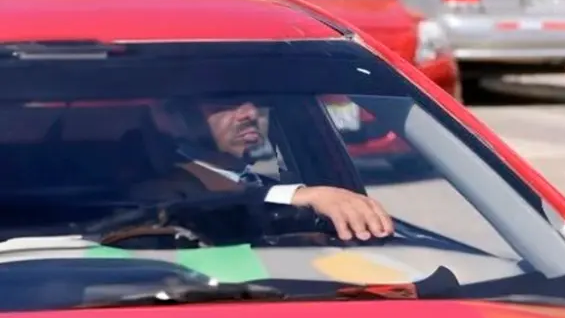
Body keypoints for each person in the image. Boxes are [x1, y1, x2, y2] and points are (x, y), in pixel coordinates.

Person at [133, 97, 393, 242]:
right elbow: (201, 208)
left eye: (257, 100)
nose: (250, 112)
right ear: (169, 119)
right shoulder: (160, 191)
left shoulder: (252, 179)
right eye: (225, 102)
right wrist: (301, 196)